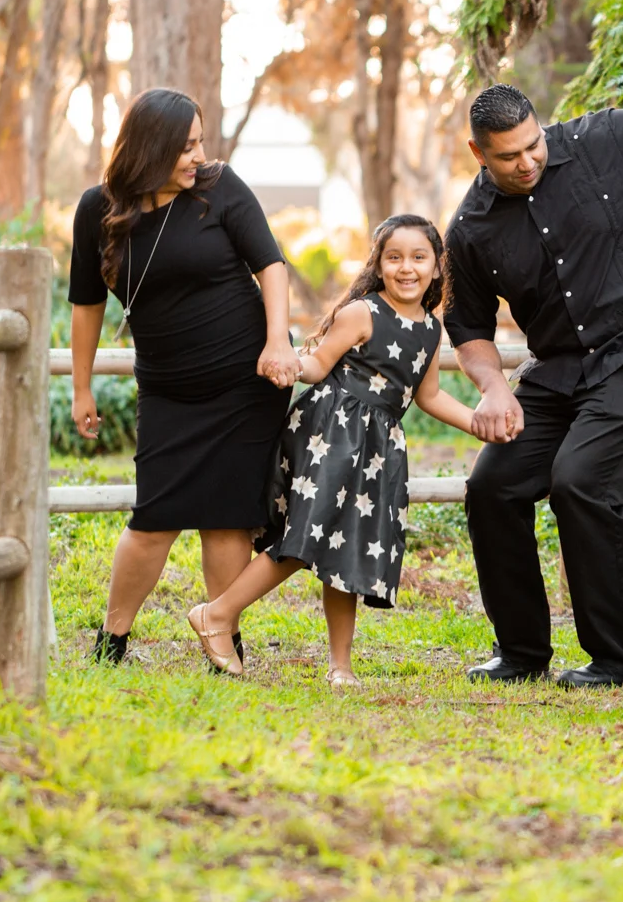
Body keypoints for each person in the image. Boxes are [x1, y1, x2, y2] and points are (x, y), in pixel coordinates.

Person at [445, 83, 623, 688]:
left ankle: (620, 661)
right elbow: (467, 326)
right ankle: (520, 653)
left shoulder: (600, 140)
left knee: (581, 482)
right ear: (478, 153)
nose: (528, 163)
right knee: (492, 486)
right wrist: (493, 387)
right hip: (561, 368)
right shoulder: (470, 228)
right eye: (509, 157)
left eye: (533, 145)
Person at [186, 215, 479, 686]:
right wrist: (284, 360)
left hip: (376, 449)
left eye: (419, 257)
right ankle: (216, 614)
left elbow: (427, 397)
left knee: (342, 551)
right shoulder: (363, 313)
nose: (407, 268)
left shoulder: (429, 329)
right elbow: (319, 366)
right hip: (331, 433)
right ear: (378, 265)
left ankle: (340, 666)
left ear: (437, 267)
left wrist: (478, 422)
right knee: (304, 539)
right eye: (395, 257)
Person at [68, 88, 300, 667]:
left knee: (228, 516)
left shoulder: (219, 189)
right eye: (186, 146)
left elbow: (271, 266)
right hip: (169, 389)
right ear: (151, 148)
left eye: (200, 142)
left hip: (247, 383)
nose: (199, 155)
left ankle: (223, 635)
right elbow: (86, 303)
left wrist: (277, 340)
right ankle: (112, 640)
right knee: (155, 518)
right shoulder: (97, 211)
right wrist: (80, 385)